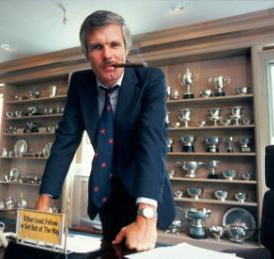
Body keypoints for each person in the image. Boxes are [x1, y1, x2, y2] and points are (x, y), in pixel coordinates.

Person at [35, 10, 175, 251]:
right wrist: (43, 202)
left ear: (126, 50)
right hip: (105, 192)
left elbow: (152, 141)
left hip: (144, 190)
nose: (107, 55)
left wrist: (146, 215)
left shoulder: (151, 79)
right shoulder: (79, 83)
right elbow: (65, 141)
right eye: (97, 47)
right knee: (109, 250)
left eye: (114, 44)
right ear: (87, 54)